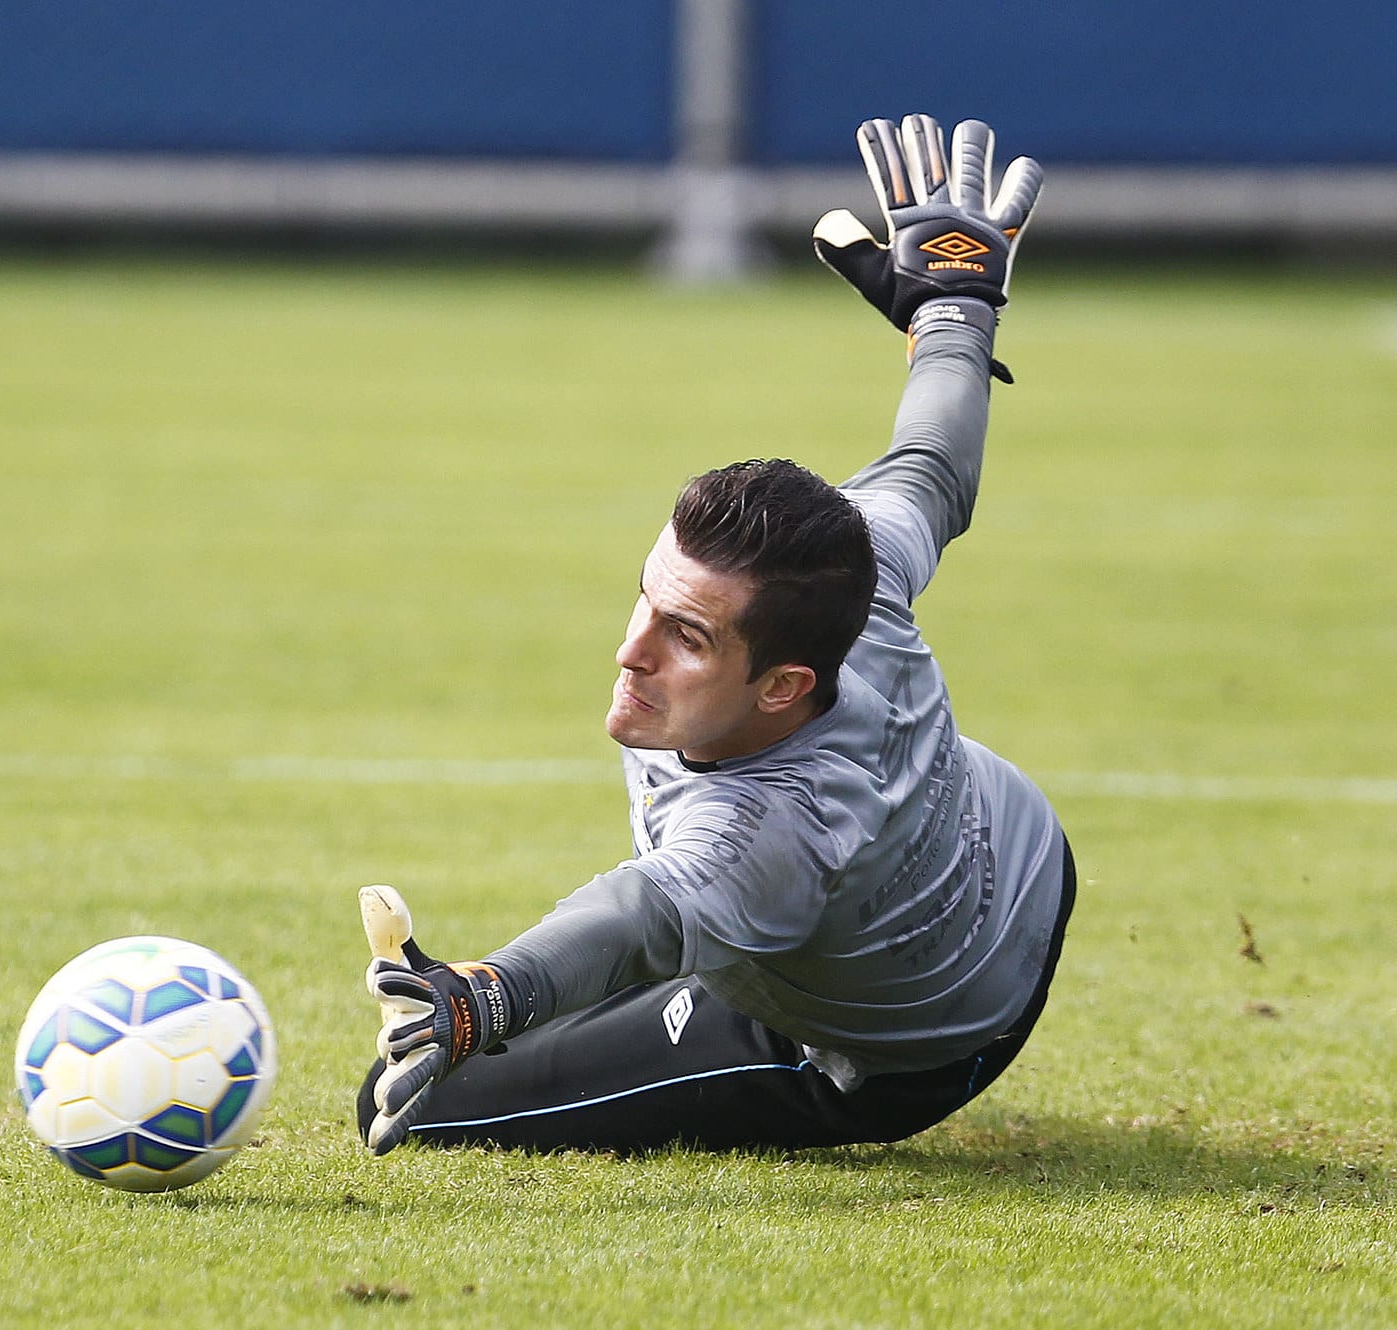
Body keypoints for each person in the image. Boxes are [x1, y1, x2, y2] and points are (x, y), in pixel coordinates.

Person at [357, 114, 1075, 1156]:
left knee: (422, 1100)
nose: (630, 650)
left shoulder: (772, 834)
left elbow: (640, 916)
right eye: (643, 597)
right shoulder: (849, 572)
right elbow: (931, 463)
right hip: (1015, 852)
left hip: (902, 1045)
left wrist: (483, 1001)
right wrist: (953, 306)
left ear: (783, 685)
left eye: (684, 637)